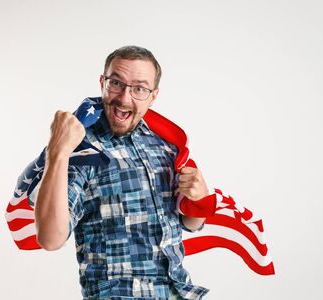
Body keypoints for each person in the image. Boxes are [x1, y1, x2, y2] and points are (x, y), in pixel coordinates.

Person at [34, 45, 210, 299]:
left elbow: (189, 223)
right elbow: (50, 238)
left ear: (153, 96)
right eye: (116, 83)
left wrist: (198, 199)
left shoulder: (165, 145)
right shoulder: (82, 150)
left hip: (178, 292)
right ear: (102, 82)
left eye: (139, 88)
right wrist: (57, 152)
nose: (125, 98)